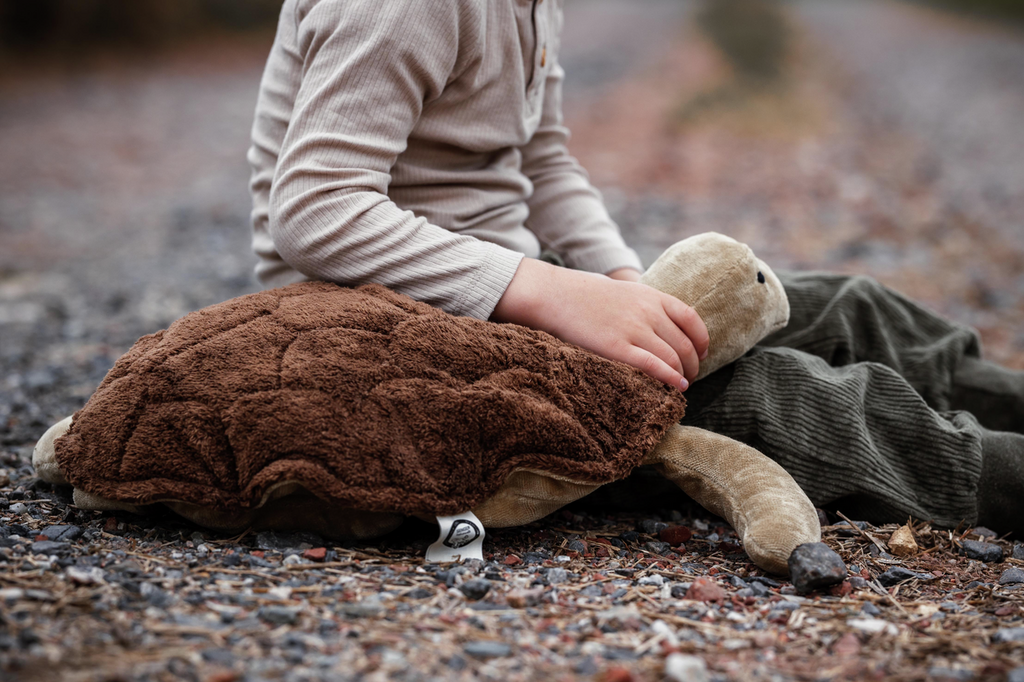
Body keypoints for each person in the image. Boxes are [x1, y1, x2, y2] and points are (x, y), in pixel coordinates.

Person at [247, 0, 1023, 536]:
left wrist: (620, 285)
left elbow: (543, 161)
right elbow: (316, 209)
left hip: (498, 284)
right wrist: (549, 290)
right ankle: (1000, 476)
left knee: (844, 305)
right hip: (382, 317)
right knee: (776, 394)